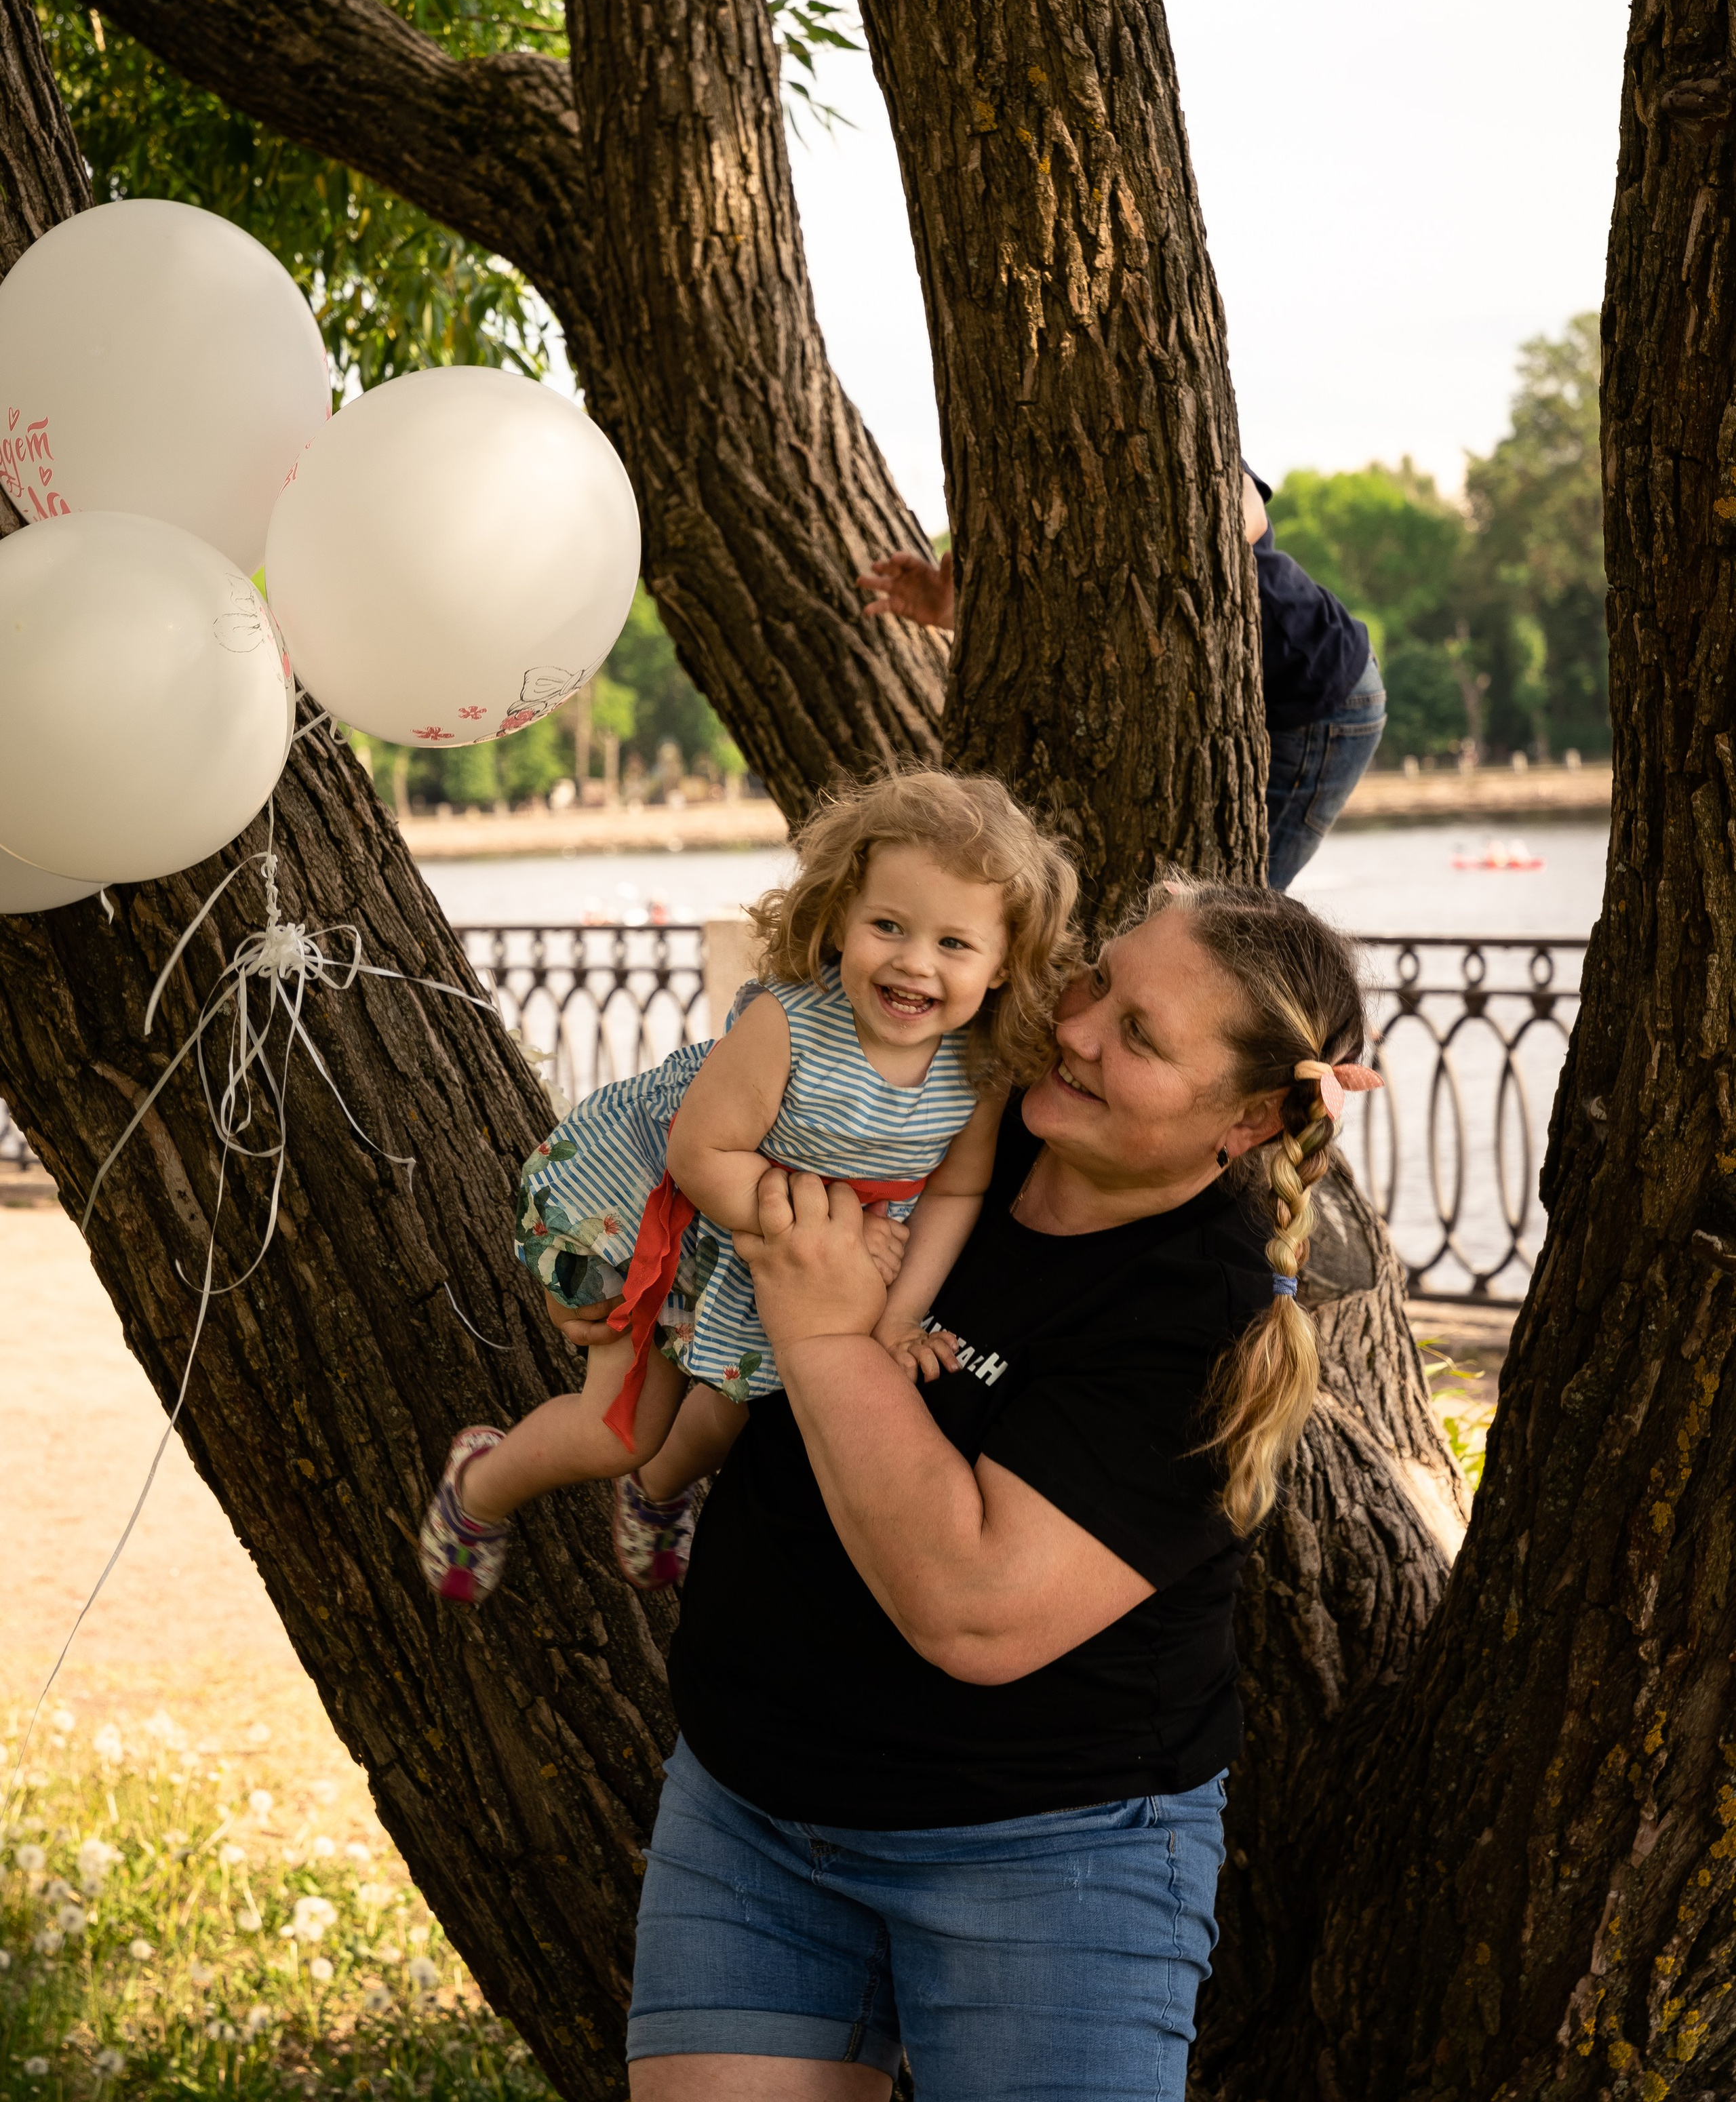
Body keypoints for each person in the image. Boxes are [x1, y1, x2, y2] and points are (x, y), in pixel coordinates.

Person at [579, 867, 1373, 2099]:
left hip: (1045, 1854)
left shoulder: (1203, 1311)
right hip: (754, 1806)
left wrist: (829, 1332)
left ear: (1254, 1119)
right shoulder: (954, 1110)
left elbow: (977, 1610)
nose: (1077, 1030)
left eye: (1141, 1038)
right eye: (1100, 979)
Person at [416, 768, 1079, 1606]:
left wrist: (899, 1315)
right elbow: (703, 1152)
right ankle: (483, 1486)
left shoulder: (979, 1068)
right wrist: (825, 1243)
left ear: (1002, 964)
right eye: (888, 925)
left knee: (734, 1412)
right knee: (620, 1428)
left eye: (954, 944)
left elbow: (953, 1195)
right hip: (670, 1213)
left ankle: (657, 1492)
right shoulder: (791, 1022)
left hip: (788, 1253)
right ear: (839, 918)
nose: (914, 963)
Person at [857, 462, 1385, 890]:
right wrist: (961, 608)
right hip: (1246, 704)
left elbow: (1246, 508)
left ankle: (1304, 1019)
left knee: (1235, 908)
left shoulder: (1157, 434)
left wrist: (1197, 538)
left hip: (1321, 696)